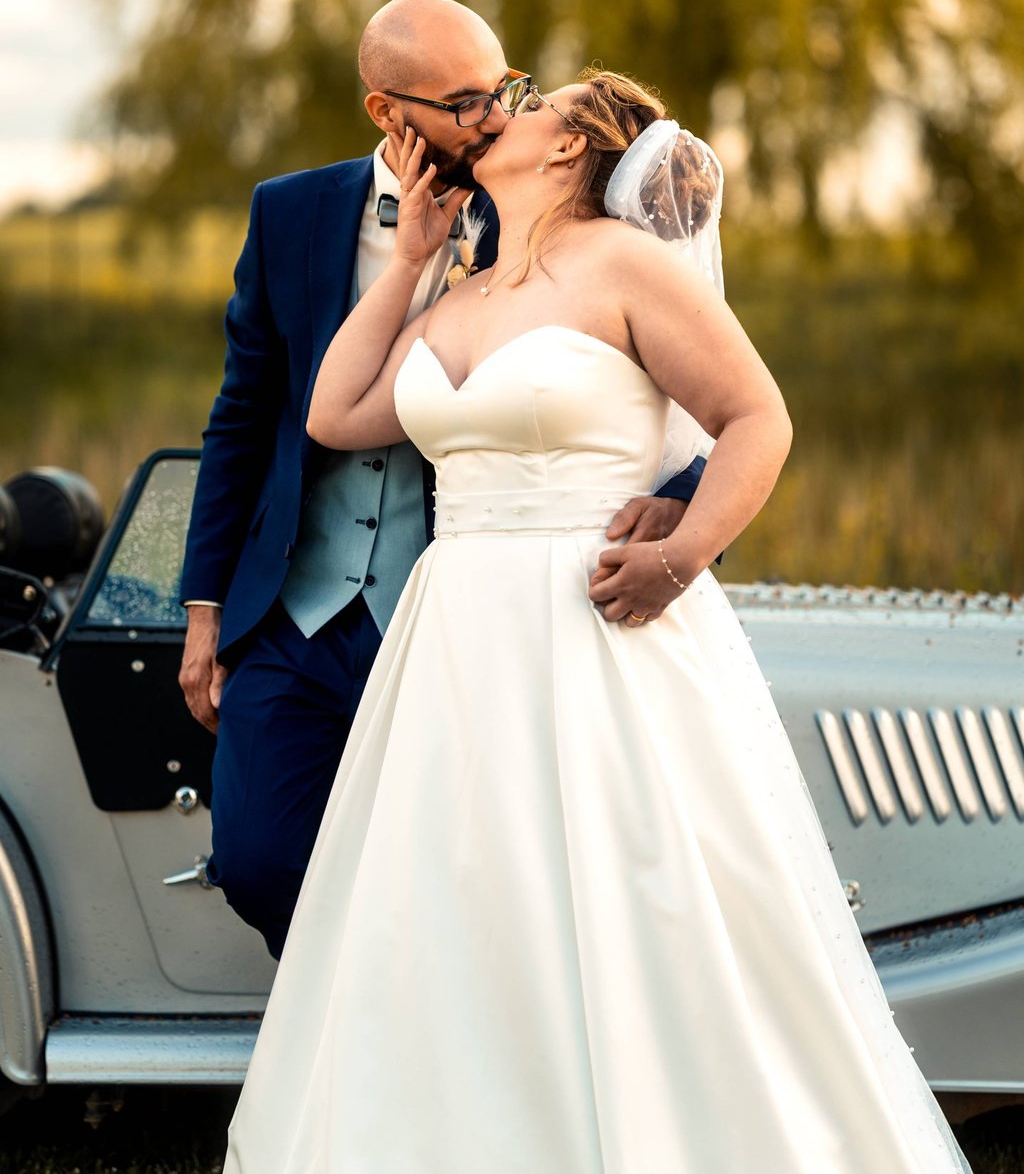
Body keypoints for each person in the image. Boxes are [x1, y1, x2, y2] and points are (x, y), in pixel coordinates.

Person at [222, 71, 972, 1173]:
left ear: (571, 147)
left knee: (632, 899)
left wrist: (681, 553)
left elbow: (755, 415)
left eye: (528, 104)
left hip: (592, 629)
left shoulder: (624, 266)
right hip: (456, 640)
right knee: (464, 898)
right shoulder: (461, 289)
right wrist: (412, 258)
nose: (497, 111)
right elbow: (334, 412)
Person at [177, 0, 703, 957]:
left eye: (506, 90)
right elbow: (246, 417)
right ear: (387, 112)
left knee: (455, 873)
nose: (495, 118)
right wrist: (205, 605)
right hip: (292, 610)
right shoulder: (289, 213)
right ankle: (347, 1016)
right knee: (257, 861)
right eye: (465, 103)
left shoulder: (547, 216)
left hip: (458, 612)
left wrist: (679, 510)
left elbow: (678, 390)